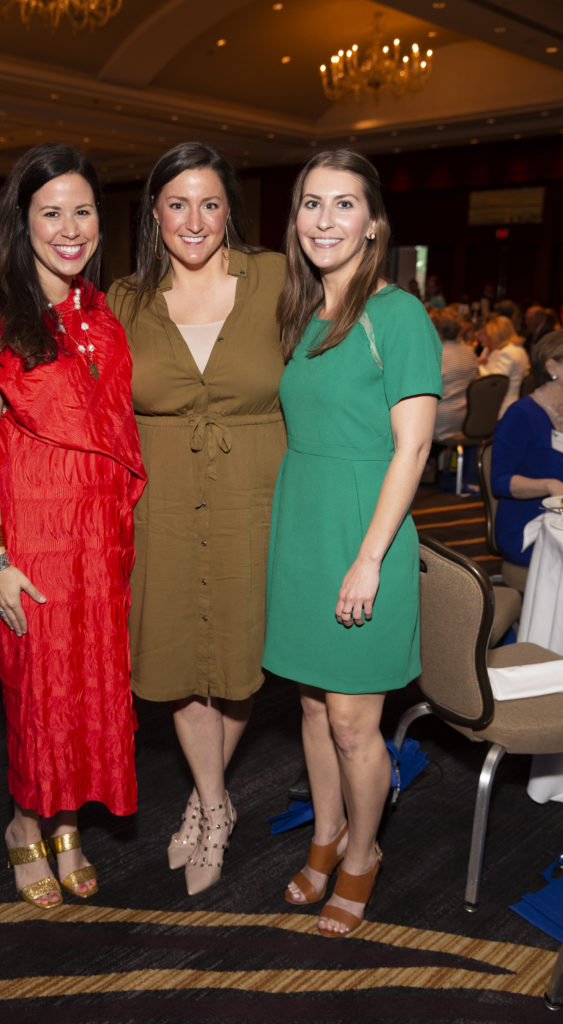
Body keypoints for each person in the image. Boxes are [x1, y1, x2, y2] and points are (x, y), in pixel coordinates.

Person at [0, 144, 146, 910]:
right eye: (51, 212)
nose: (70, 228)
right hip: (29, 540)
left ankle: (68, 823)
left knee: (91, 687)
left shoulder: (102, 318)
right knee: (39, 693)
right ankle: (25, 824)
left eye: (84, 211)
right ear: (21, 221)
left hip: (100, 540)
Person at [263, 150, 441, 936]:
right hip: (302, 529)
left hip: (363, 534)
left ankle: (363, 854)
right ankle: (325, 834)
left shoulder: (397, 314)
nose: (324, 220)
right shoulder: (302, 315)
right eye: (310, 204)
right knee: (309, 706)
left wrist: (368, 556)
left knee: (351, 722)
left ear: (372, 225)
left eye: (343, 205)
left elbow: (411, 449)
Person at [108, 142, 286, 896]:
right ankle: (215, 804)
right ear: (153, 212)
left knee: (241, 659)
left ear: (229, 212)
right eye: (176, 202)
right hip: (165, 504)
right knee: (182, 661)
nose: (193, 219)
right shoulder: (123, 299)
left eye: (209, 203)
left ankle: (204, 796)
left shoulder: (275, 278)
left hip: (259, 493)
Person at [492, 330, 563, 566]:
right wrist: (549, 485)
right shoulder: (521, 415)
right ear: (553, 367)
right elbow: (500, 481)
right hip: (528, 524)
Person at [431, 307, 478, 441]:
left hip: (441, 424)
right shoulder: (470, 351)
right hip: (466, 420)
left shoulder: (435, 354)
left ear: (437, 330)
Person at [477, 314, 529, 418]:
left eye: (489, 335)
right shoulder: (517, 349)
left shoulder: (508, 352)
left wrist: (475, 365)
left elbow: (494, 383)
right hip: (512, 401)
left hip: (504, 406)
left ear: (497, 334)